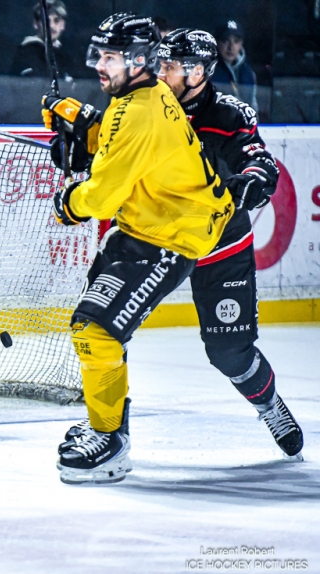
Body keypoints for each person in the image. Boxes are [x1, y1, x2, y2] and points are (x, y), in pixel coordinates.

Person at [41, 13, 235, 484]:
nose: (99, 67)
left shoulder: (139, 111)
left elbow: (102, 196)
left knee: (96, 331)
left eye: (110, 58)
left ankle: (108, 442)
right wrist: (89, 127)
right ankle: (109, 427)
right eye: (99, 55)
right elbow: (126, 145)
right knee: (99, 331)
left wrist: (69, 201)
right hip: (147, 225)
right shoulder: (144, 96)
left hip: (170, 236)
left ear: (142, 60)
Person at [155, 29, 303, 459]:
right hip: (156, 240)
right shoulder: (147, 108)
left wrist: (251, 182)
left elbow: (257, 160)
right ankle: (109, 431)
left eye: (170, 66)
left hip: (220, 243)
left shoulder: (230, 114)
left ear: (198, 71)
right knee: (104, 327)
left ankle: (269, 405)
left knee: (229, 352)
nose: (160, 73)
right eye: (160, 64)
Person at [9, 0, 73, 80]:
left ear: (63, 25)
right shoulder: (26, 53)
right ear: (36, 24)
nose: (51, 26)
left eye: (57, 20)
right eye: (46, 20)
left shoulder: (65, 55)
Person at [211, 20, 258, 112]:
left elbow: (253, 107)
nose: (231, 47)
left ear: (241, 44)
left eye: (236, 41)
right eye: (225, 41)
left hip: (242, 125)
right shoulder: (207, 72)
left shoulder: (249, 73)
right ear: (216, 42)